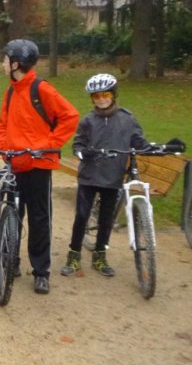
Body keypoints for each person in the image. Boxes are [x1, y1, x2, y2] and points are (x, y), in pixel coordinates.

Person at [0, 39, 79, 294]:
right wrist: (5, 149)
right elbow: (3, 124)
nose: (2, 63)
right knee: (10, 213)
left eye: (5, 59)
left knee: (40, 218)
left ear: (16, 64)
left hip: (38, 165)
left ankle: (41, 271)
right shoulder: (11, 90)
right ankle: (11, 262)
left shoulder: (41, 89)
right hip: (15, 163)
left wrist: (49, 144)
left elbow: (70, 116)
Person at [60, 74, 152, 278]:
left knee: (106, 218)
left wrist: (149, 148)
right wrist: (81, 151)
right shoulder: (88, 120)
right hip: (90, 176)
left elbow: (138, 140)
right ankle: (73, 255)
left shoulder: (127, 118)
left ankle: (100, 256)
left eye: (106, 94)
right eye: (97, 96)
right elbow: (78, 143)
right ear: (92, 98)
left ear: (114, 94)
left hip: (113, 175)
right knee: (82, 216)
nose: (101, 99)